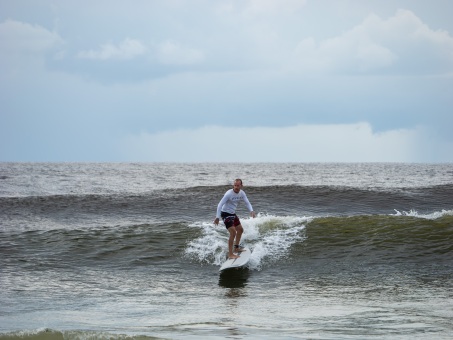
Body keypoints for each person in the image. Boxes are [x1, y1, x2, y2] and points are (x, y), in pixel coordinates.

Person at [214, 179, 256, 259]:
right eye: (235, 185)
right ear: (233, 185)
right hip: (225, 213)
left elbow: (247, 202)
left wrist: (251, 210)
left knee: (240, 230)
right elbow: (220, 205)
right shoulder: (229, 194)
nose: (236, 187)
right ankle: (230, 254)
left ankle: (236, 248)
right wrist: (217, 217)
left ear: (241, 186)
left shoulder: (242, 193)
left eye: (238, 185)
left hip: (232, 213)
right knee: (233, 232)